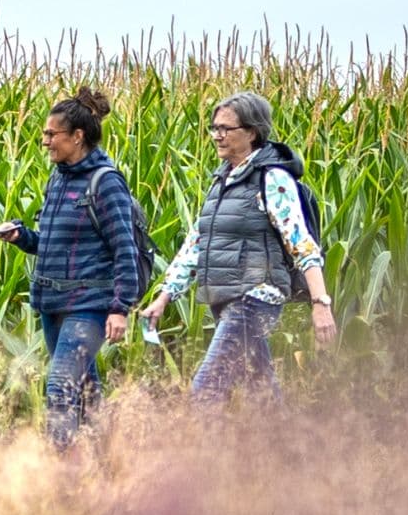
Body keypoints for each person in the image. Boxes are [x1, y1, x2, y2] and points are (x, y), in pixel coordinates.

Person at [140, 90, 334, 401]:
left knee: (205, 392)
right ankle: (294, 448)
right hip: (227, 297)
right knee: (263, 395)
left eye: (225, 129)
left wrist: (320, 304)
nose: (217, 136)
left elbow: (302, 244)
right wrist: (165, 297)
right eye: (214, 128)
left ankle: (193, 451)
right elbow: (197, 243)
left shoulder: (272, 179)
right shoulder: (222, 182)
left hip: (254, 298)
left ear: (252, 132)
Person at [2, 85, 143, 444]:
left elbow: (125, 248)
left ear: (77, 136)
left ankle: (60, 471)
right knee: (85, 392)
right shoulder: (57, 180)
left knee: (60, 386)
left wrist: (120, 308)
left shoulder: (105, 182)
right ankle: (110, 460)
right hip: (52, 303)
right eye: (44, 134)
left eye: (52, 134)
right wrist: (20, 237)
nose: (45, 141)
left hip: (89, 306)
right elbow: (49, 244)